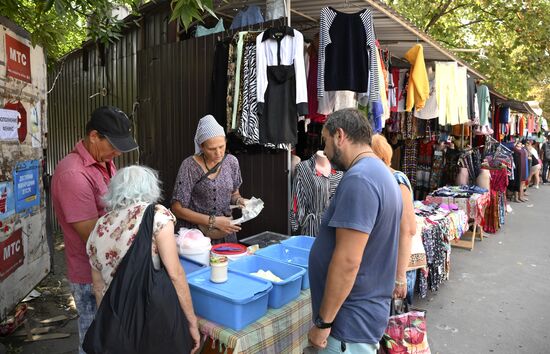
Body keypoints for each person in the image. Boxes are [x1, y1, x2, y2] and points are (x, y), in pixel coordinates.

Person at [308, 109, 403, 353]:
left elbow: (348, 261)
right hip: (362, 315)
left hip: (348, 324)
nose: (325, 150)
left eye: (325, 140)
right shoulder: (382, 174)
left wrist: (323, 322)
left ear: (340, 136)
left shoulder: (359, 179)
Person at [51, 106, 138, 354]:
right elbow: (93, 236)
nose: (117, 152)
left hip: (110, 268)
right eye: (113, 145)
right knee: (94, 343)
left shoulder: (103, 160)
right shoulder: (73, 174)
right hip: (91, 276)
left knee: (112, 340)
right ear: (93, 136)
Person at [85, 166, 200, 353]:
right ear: (151, 188)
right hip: (152, 317)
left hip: (117, 323)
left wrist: (110, 326)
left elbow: (98, 287)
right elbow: (175, 274)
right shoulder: (157, 216)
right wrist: (191, 321)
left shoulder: (100, 226)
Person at [171, 115, 247, 243]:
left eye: (221, 146)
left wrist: (240, 200)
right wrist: (213, 221)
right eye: (212, 149)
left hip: (225, 235)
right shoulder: (190, 166)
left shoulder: (231, 162)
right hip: (196, 238)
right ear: (201, 146)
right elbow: (177, 209)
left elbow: (234, 193)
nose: (218, 153)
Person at [371, 134, 417, 301]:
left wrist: (400, 277)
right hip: (379, 262)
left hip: (393, 262)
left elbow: (408, 229)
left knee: (392, 318)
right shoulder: (377, 179)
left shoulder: (397, 180)